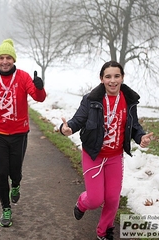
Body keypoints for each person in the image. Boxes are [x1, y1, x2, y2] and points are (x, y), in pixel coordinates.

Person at [59, 61, 153, 240]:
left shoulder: (129, 100)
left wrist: (141, 137)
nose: (112, 81)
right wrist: (67, 128)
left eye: (117, 76)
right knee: (95, 200)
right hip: (93, 155)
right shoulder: (91, 99)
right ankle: (82, 203)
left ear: (122, 78)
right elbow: (78, 120)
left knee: (112, 199)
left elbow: (134, 126)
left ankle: (104, 232)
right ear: (101, 79)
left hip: (115, 157)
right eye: (108, 76)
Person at [0, 39, 47, 227]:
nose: (5, 61)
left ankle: (15, 185)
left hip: (19, 133)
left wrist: (39, 87)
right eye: (1, 58)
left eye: (8, 58)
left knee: (15, 171)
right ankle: (6, 208)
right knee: (1, 173)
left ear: (13, 60)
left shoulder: (22, 77)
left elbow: (39, 98)